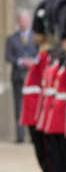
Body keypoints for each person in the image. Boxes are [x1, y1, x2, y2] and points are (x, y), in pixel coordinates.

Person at [6, 10, 36, 142]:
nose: (24, 23)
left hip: (33, 76)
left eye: (26, 20)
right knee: (19, 106)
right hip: (18, 76)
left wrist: (32, 62)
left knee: (33, 105)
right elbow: (8, 57)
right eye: (22, 21)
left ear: (29, 21)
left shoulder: (35, 37)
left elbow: (40, 54)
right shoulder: (11, 38)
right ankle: (20, 136)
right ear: (19, 22)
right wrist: (21, 61)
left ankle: (34, 135)